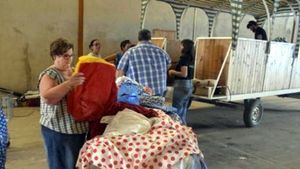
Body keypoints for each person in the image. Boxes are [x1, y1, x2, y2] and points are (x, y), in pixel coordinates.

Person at [38, 38, 88, 169]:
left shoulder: (73, 71)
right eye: (65, 56)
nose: (70, 59)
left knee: (74, 164)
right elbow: (47, 97)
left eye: (71, 55)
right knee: (60, 164)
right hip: (58, 129)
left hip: (77, 129)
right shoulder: (50, 74)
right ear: (55, 56)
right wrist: (69, 84)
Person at [117, 29, 171, 96]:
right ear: (150, 38)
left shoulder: (130, 52)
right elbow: (169, 65)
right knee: (157, 107)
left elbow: (120, 73)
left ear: (138, 38)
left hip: (138, 93)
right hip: (158, 91)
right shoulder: (161, 51)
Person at [168, 39, 195, 125]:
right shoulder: (192, 58)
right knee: (183, 108)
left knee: (176, 108)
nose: (180, 47)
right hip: (189, 84)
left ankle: (176, 127)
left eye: (181, 45)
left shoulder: (184, 58)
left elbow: (184, 74)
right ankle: (183, 126)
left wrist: (172, 71)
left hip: (181, 85)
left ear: (185, 47)